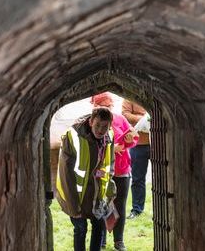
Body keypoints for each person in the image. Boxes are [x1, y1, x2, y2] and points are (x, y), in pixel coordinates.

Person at [55, 107, 115, 251]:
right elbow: (66, 174)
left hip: (96, 194)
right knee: (81, 228)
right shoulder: (73, 136)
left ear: (110, 126)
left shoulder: (109, 137)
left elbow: (110, 165)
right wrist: (74, 206)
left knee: (99, 225)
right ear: (90, 122)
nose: (101, 130)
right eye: (98, 125)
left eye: (105, 127)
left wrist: (109, 193)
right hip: (75, 195)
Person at [91, 92, 139, 251]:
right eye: (103, 106)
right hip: (102, 171)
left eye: (109, 105)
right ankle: (102, 240)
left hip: (122, 169)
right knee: (103, 204)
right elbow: (90, 147)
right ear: (96, 106)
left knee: (120, 205)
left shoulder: (120, 119)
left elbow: (134, 137)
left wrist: (129, 140)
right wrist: (111, 149)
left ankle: (119, 241)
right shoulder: (91, 122)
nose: (107, 109)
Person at [122, 99, 151, 219]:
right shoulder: (130, 97)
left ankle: (165, 205)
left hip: (157, 142)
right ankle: (137, 209)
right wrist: (145, 119)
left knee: (163, 177)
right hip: (138, 144)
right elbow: (125, 115)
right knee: (138, 178)